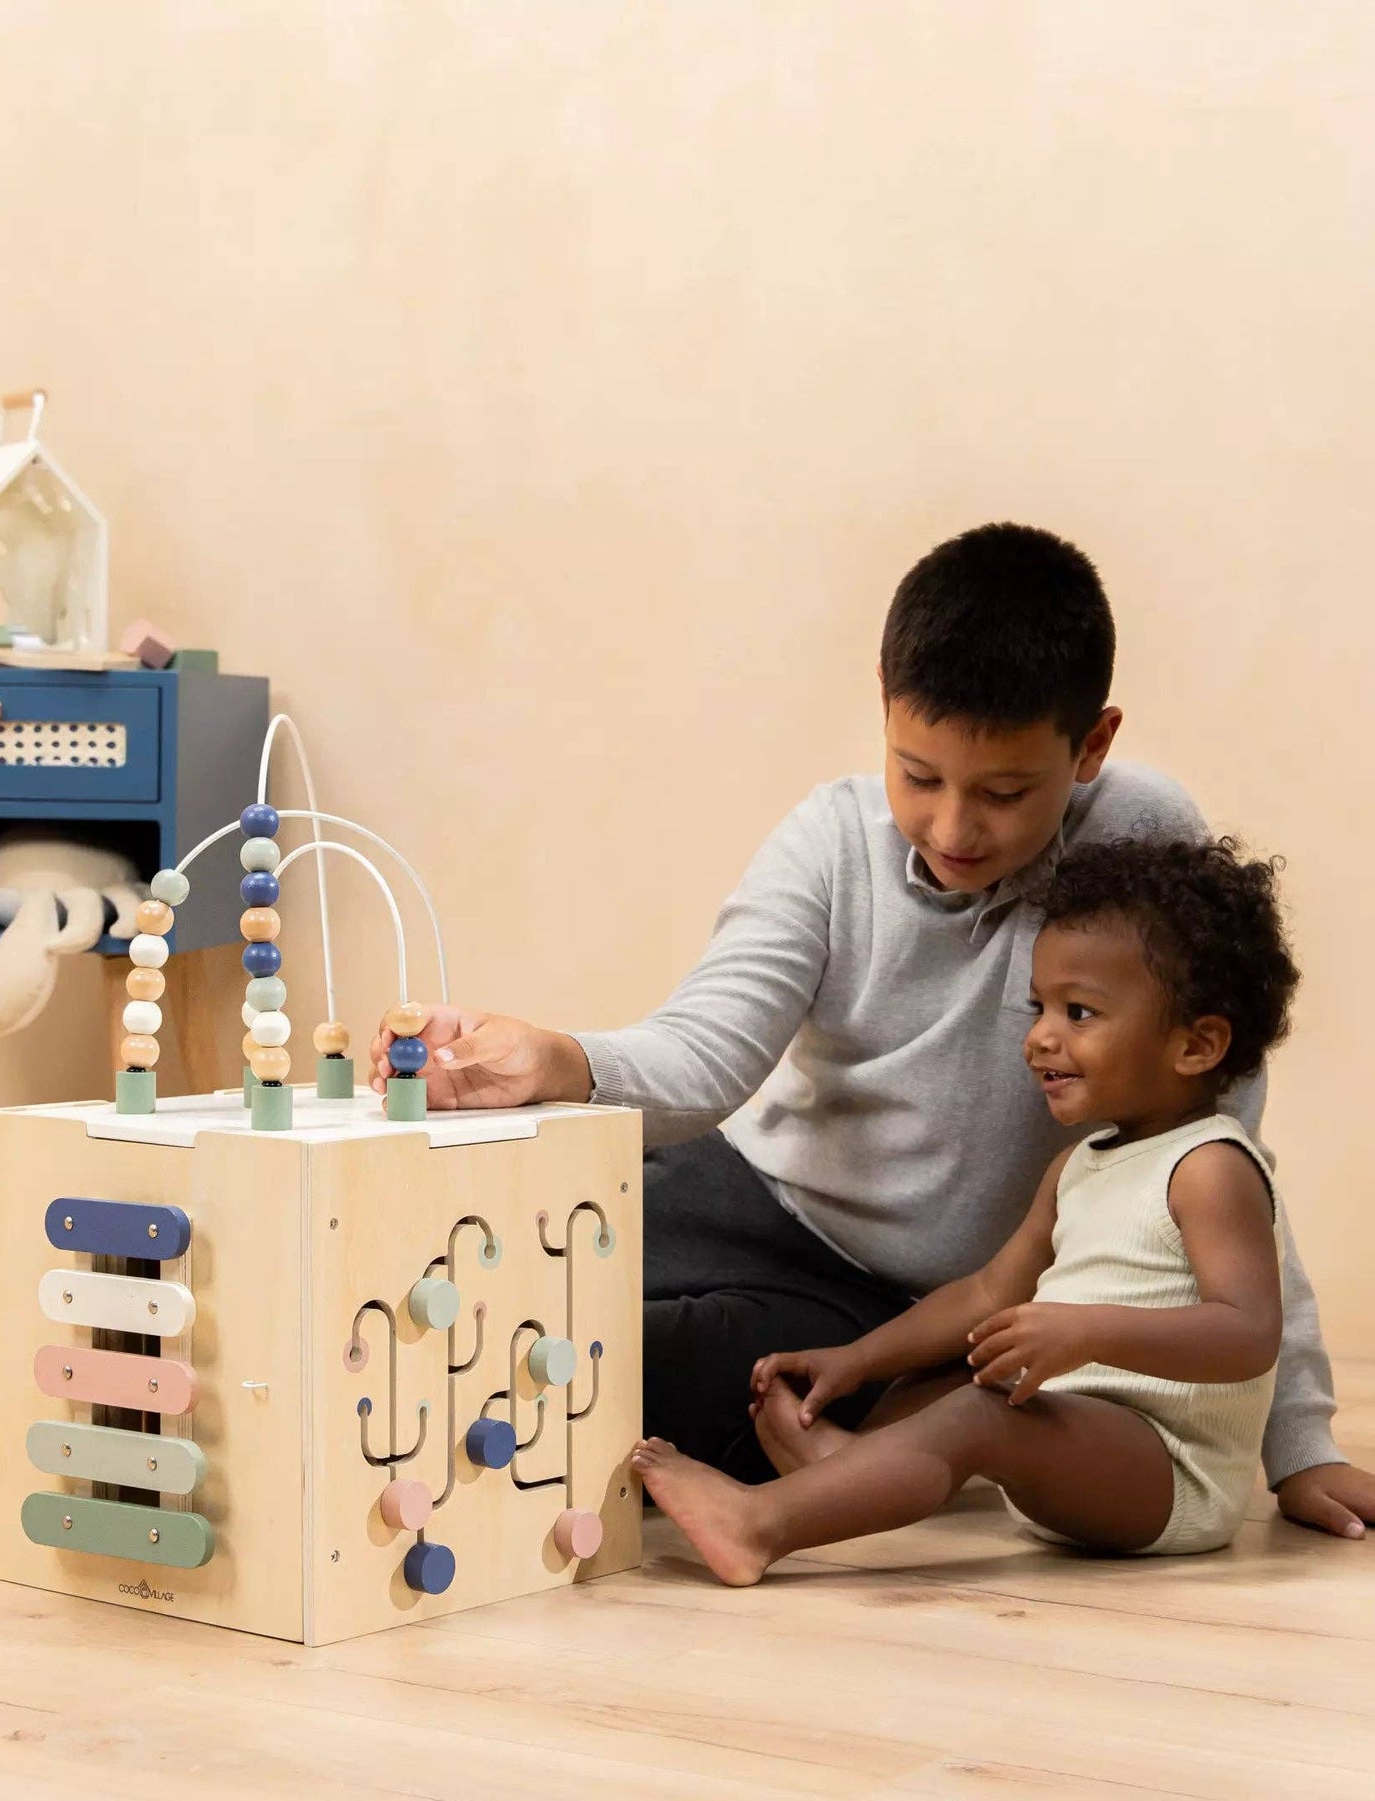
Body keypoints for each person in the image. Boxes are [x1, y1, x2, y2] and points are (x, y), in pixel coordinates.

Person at [370, 523, 1375, 1540]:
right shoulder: (829, 839)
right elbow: (705, 1054)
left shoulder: (1144, 833)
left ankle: (877, 1427)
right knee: (480, 1285)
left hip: (901, 1306)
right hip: (746, 1193)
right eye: (916, 774)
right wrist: (558, 1059)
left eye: (1002, 793)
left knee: (599, 1361)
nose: (949, 828)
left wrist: (1301, 1443)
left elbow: (1227, 1146)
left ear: (1091, 746)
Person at [630, 836, 1297, 1580]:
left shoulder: (1208, 1166)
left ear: (1196, 1045)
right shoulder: (1077, 1165)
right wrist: (853, 1363)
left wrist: (1088, 1330)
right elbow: (985, 1292)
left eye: (1078, 1012)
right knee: (966, 1371)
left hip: (1169, 1472)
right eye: (1037, 1006)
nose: (1040, 1035)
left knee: (984, 1411)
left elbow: (1247, 1332)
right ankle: (846, 1469)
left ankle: (760, 1523)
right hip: (1082, 1436)